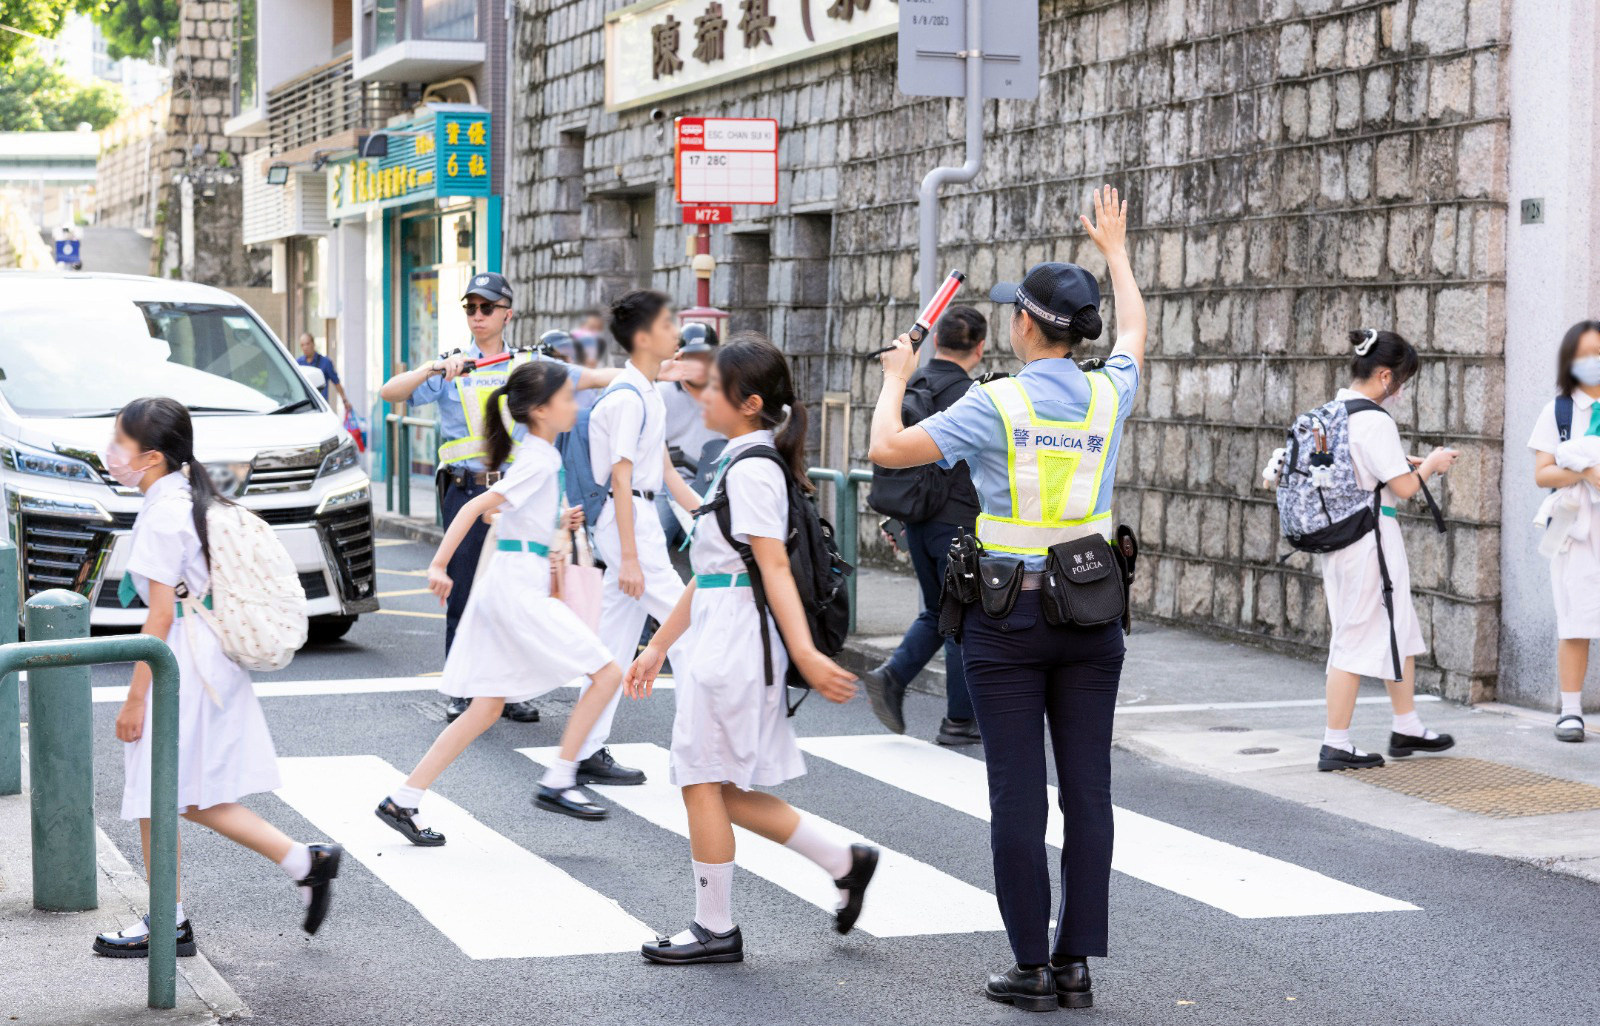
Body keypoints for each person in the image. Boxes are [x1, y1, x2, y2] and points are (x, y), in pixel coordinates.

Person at [868, 187, 1143, 1011]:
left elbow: (888, 448)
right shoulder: (1109, 393)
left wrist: (895, 376)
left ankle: (1031, 965)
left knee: (1017, 794)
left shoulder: (994, 402)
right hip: (1093, 614)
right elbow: (1134, 331)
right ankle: (1076, 963)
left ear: (1024, 326)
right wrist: (1118, 256)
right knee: (1087, 791)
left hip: (1006, 618)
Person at [625, 334, 874, 965]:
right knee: (718, 785)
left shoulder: (754, 469)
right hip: (719, 633)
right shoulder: (739, 459)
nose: (701, 394)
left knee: (702, 780)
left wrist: (809, 656)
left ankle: (716, 928)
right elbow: (714, 572)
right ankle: (843, 862)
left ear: (750, 402)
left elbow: (772, 572)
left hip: (735, 645)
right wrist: (657, 646)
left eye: (713, 387)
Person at [96, 397, 342, 958]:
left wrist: (134, 700)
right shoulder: (184, 495)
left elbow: (158, 616)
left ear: (151, 456)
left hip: (183, 658)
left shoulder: (162, 513)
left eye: (120, 445)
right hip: (206, 655)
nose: (111, 454)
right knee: (179, 791)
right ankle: (306, 862)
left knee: (159, 789)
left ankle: (169, 921)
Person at [375, 361, 631, 837]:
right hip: (517, 590)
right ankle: (559, 778)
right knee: (608, 672)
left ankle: (402, 799)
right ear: (540, 410)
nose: (574, 404)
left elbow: (502, 519)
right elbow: (477, 506)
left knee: (486, 708)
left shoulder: (535, 457)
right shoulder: (539, 458)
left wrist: (557, 523)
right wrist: (438, 564)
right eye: (567, 398)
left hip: (511, 583)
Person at [377, 273, 614, 724]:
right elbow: (390, 392)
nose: (478, 316)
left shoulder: (526, 364)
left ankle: (510, 689)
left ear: (508, 312)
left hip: (520, 494)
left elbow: (594, 377)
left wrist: (646, 373)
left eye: (487, 307)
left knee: (519, 593)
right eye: (470, 308)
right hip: (467, 489)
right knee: (465, 593)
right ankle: (461, 688)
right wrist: (433, 369)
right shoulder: (452, 365)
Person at [1310, 329, 1458, 772]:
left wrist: (1403, 463)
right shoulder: (1373, 419)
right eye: (1402, 381)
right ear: (1386, 375)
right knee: (1354, 637)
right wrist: (1431, 465)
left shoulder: (1332, 412)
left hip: (1344, 540)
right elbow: (1406, 488)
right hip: (1369, 541)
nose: (1401, 391)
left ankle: (1406, 724)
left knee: (1399, 627)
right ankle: (1335, 742)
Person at [575, 290, 706, 786]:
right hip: (629, 519)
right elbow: (623, 479)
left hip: (637, 517)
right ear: (645, 337)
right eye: (670, 324)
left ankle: (584, 749)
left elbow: (664, 469)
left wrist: (704, 511)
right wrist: (629, 557)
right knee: (686, 628)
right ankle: (696, 755)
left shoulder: (645, 391)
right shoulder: (629, 398)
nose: (677, 332)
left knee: (613, 643)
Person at [861, 305, 987, 746]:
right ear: (981, 347)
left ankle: (892, 677)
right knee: (962, 618)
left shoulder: (910, 380)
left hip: (916, 520)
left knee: (938, 610)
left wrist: (897, 516)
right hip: (957, 523)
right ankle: (958, 720)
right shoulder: (973, 396)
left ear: (937, 342)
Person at [1527, 319, 1600, 742]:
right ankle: (1570, 711)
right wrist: (1588, 471)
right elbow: (1542, 474)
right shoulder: (1559, 410)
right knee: (1574, 616)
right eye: (1587, 354)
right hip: (1574, 522)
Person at [657, 321, 727, 556]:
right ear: (679, 358)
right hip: (673, 483)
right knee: (655, 538)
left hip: (716, 483)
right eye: (691, 357)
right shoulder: (661, 393)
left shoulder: (727, 391)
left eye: (705, 356)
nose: (698, 364)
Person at [297, 333, 349, 413]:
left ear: (313, 344)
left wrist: (345, 401)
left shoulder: (325, 362)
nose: (305, 347)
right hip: (303, 407)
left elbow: (336, 382)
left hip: (320, 408)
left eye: (307, 344)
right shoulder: (298, 363)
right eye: (302, 345)